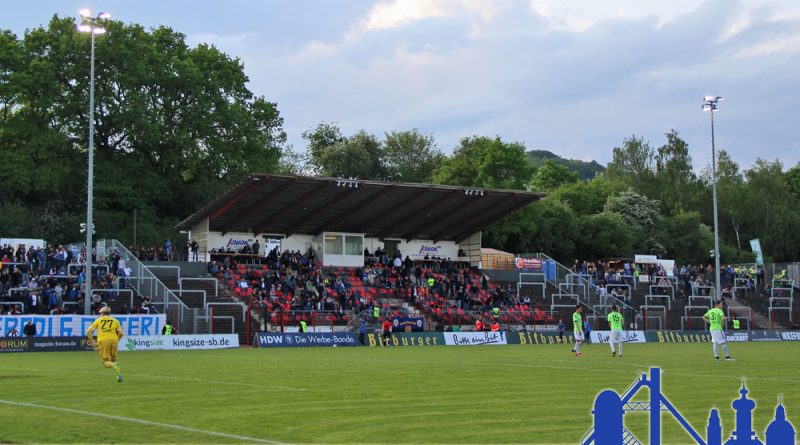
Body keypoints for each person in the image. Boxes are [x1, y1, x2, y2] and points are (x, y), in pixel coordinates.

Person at [86, 306, 125, 382]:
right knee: (114, 359)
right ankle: (118, 374)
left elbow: (88, 331)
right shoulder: (115, 321)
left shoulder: (99, 320)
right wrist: (117, 340)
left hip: (104, 340)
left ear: (102, 313)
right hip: (114, 340)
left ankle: (113, 366)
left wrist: (92, 341)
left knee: (106, 362)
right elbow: (121, 333)